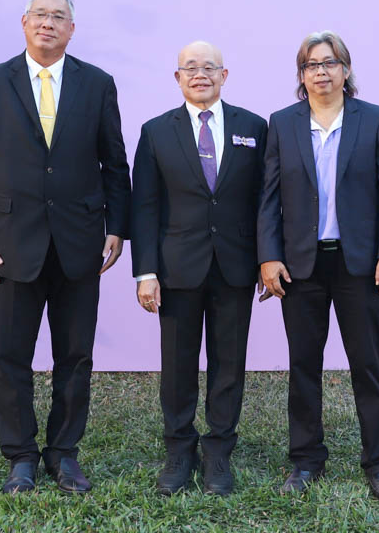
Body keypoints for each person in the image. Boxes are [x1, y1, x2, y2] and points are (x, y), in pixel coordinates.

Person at [0, 0, 130, 495]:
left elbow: (114, 162)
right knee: (12, 355)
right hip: (9, 244)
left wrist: (117, 226)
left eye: (58, 17)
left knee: (75, 356)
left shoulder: (97, 84)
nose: (48, 23)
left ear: (72, 29)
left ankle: (64, 453)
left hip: (81, 241)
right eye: (40, 14)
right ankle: (21, 456)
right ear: (24, 22)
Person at [257, 31, 379, 503]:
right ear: (301, 75)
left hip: (359, 264)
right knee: (303, 364)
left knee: (367, 364)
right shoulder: (282, 123)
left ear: (345, 69)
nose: (320, 72)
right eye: (311, 65)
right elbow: (269, 198)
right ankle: (306, 459)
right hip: (300, 266)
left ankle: (377, 462)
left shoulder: (375, 119)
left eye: (329, 62)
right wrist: (268, 257)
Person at [129, 41, 267, 496]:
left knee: (229, 363)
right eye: (190, 67)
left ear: (224, 76)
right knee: (178, 364)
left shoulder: (254, 127)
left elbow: (265, 200)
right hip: (176, 268)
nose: (200, 74)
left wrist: (267, 259)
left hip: (236, 265)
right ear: (178, 78)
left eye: (209, 67)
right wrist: (145, 271)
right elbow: (144, 206)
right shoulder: (155, 132)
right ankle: (179, 450)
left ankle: (219, 452)